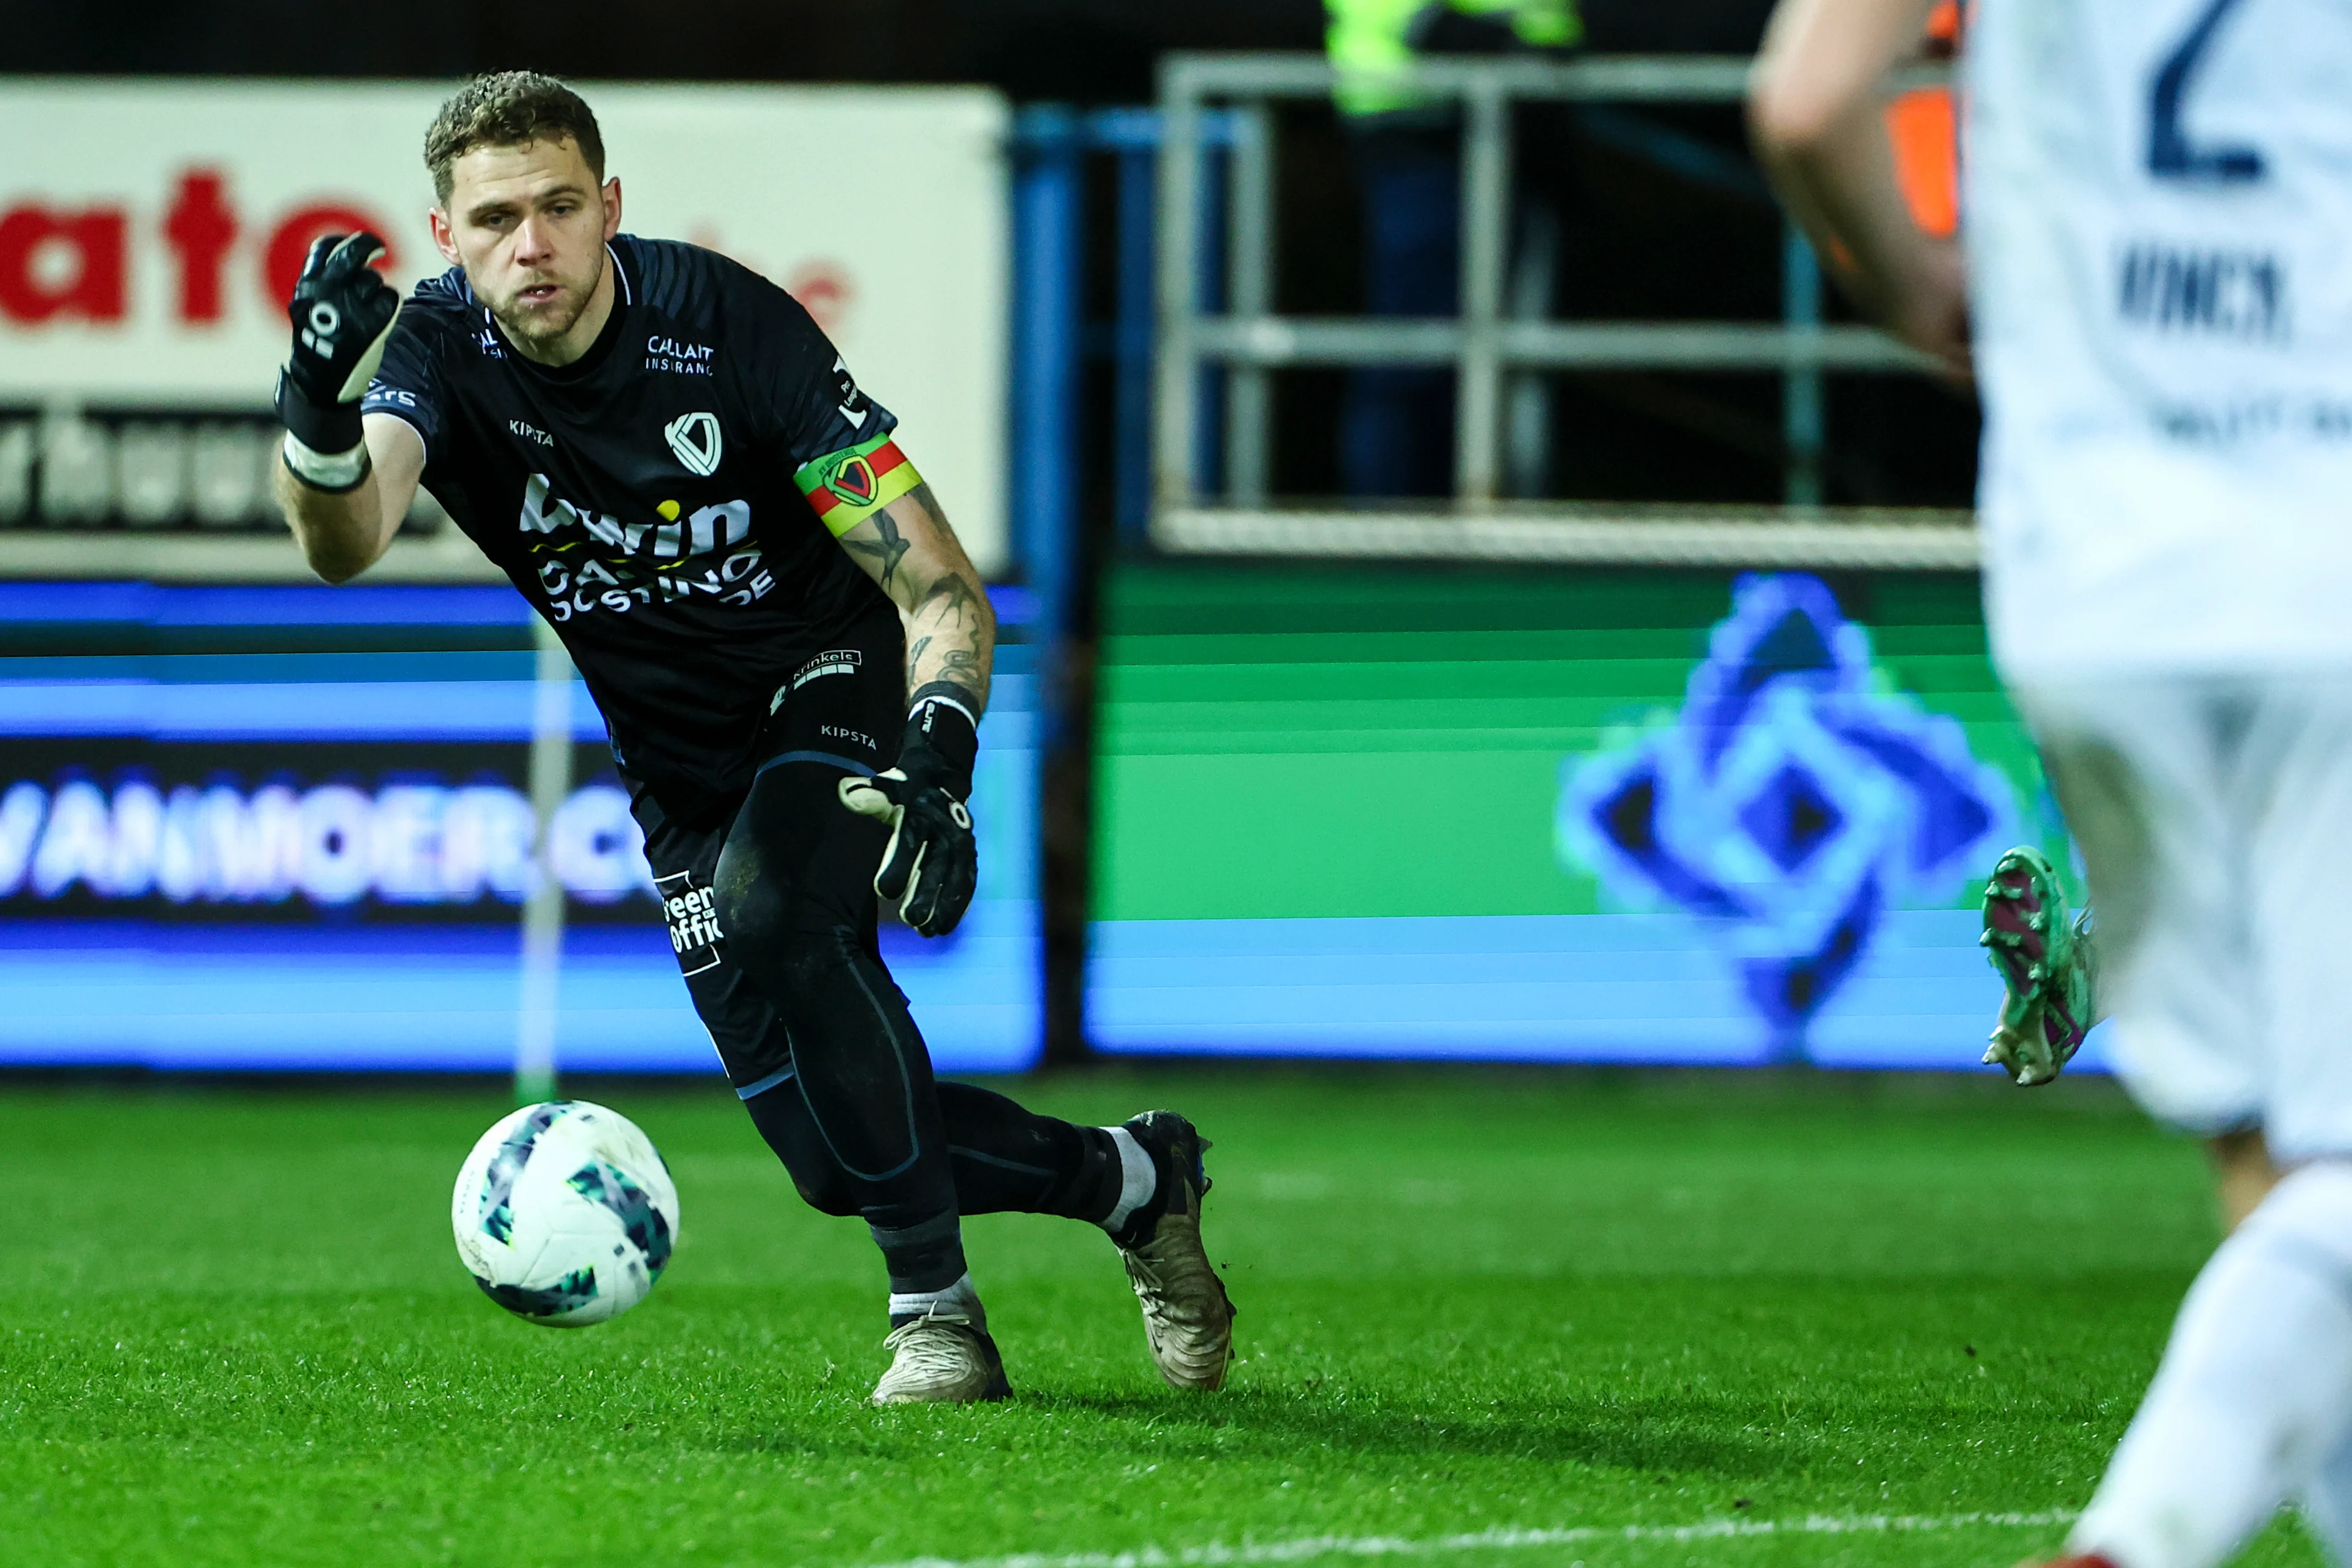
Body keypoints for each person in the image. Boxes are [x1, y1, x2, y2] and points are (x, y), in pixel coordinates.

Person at [269, 71, 1234, 1405]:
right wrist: (316, 413)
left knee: (780, 907)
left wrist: (940, 758)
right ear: (448, 235)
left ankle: (936, 1319)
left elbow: (940, 588)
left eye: (559, 206)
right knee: (837, 1159)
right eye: (494, 218)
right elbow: (344, 542)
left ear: (611, 208)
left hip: (831, 678)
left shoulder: (734, 330)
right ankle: (1135, 1179)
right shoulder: (437, 348)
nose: (530, 244)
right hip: (681, 771)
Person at [1751, 1, 2352, 1564]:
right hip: (2329, 547)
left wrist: (1916, 286)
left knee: (2276, 1161)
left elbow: (1808, 105)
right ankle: (2140, 1542)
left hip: (2092, 586)